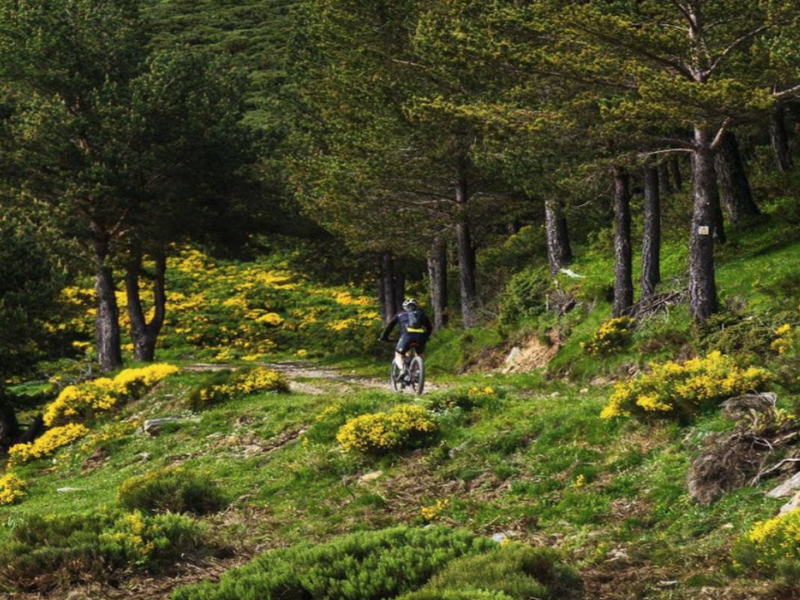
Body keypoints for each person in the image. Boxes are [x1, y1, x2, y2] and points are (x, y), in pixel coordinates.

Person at [379, 298, 433, 382]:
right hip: (420, 337)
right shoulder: (421, 314)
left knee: (398, 354)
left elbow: (390, 326)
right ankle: (418, 371)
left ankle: (402, 370)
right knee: (419, 354)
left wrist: (384, 337)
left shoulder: (400, 314)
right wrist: (427, 337)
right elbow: (429, 327)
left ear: (404, 307)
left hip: (406, 336)